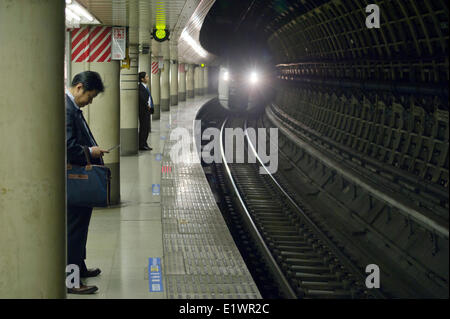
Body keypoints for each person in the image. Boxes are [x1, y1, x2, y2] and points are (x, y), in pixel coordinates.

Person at [66, 71, 108, 294]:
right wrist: (91, 151)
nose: (90, 101)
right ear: (79, 87)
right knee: (74, 231)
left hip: (79, 178)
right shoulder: (66, 109)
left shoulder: (72, 107)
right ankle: (72, 281)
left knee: (80, 228)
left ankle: (79, 267)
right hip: (73, 179)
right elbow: (68, 147)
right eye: (90, 96)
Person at [138, 71, 154, 151]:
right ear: (142, 79)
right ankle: (142, 144)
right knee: (144, 128)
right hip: (143, 111)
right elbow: (142, 98)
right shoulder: (140, 87)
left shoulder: (145, 86)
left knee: (146, 128)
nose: (148, 78)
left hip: (147, 111)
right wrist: (147, 105)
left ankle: (144, 143)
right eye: (146, 77)